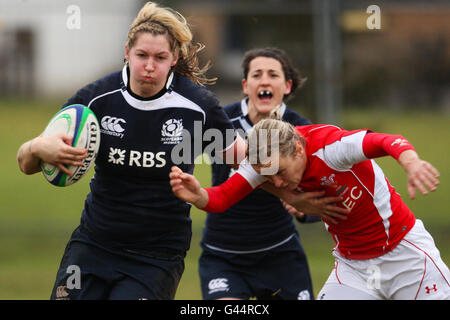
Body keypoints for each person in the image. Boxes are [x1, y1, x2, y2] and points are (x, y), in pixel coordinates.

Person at [16, 1, 249, 300]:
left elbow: (243, 158)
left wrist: (290, 178)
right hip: (93, 245)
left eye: (160, 57)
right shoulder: (97, 99)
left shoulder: (197, 107)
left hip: (156, 256)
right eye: (142, 55)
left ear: (174, 58)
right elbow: (26, 162)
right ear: (127, 53)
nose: (149, 66)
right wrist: (38, 146)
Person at [170, 119, 450, 300]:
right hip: (354, 267)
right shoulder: (266, 161)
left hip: (406, 256)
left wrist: (412, 163)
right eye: (267, 178)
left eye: (279, 172)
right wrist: (198, 195)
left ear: (298, 150)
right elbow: (222, 198)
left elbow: (386, 141)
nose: (277, 184)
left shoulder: (331, 148)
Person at [199, 47, 320, 300]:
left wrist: (306, 211)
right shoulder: (221, 122)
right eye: (257, 75)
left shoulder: (304, 132)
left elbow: (324, 194)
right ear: (245, 85)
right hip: (224, 253)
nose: (264, 80)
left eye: (273, 75)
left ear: (287, 86)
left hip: (280, 252)